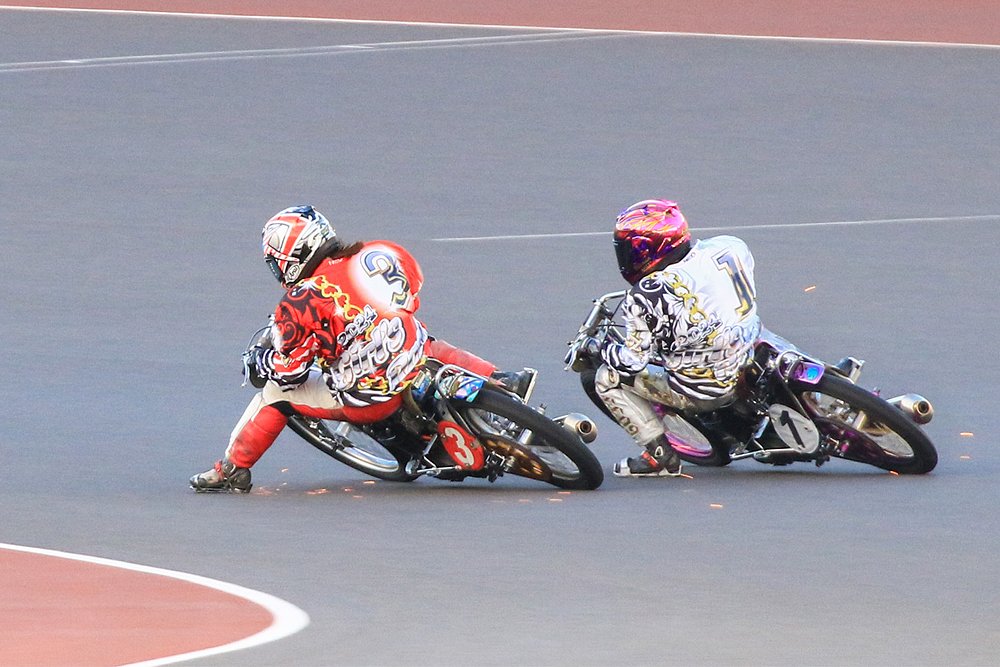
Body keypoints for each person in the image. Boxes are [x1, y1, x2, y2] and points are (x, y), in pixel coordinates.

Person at [190, 205, 534, 493]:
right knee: (422, 337)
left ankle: (232, 470)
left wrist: (264, 360)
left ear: (292, 257)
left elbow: (291, 372)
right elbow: (412, 286)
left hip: (370, 398)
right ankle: (499, 377)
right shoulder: (375, 252)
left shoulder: (298, 303)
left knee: (276, 394)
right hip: (410, 351)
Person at [591, 199, 761, 477]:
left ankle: (660, 458)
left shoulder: (647, 293)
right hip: (751, 348)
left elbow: (633, 361)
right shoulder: (729, 246)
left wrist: (603, 350)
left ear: (648, 249)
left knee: (605, 379)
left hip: (708, 388)